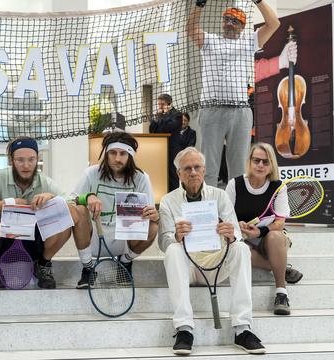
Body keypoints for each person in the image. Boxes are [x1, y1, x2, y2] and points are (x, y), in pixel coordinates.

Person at [158, 147, 265, 355]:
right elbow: (163, 242)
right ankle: (184, 329)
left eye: (197, 167)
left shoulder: (220, 196)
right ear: (179, 173)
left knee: (241, 249)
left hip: (217, 265)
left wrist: (230, 233)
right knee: (172, 250)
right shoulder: (168, 201)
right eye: (187, 168)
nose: (193, 172)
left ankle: (242, 328)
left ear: (204, 170)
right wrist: (176, 237)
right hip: (188, 267)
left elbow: (237, 234)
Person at [0, 137, 89, 290]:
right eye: (20, 160)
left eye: (31, 159)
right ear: (11, 160)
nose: (26, 165)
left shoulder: (46, 182)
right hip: (2, 240)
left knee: (66, 215)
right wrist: (9, 203)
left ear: (37, 159)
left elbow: (72, 209)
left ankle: (43, 265)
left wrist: (51, 198)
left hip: (35, 243)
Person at [188, 0, 280, 187]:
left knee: (239, 169)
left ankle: (236, 211)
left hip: (241, 112)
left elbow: (274, 24)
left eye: (235, 21)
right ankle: (210, 213)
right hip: (212, 109)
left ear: (242, 27)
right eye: (227, 19)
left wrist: (259, 1)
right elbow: (190, 29)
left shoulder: (250, 41)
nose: (230, 23)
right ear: (222, 22)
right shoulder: (209, 40)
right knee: (209, 167)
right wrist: (199, 5)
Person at [72, 131, 159, 288]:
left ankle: (124, 263)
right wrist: (87, 197)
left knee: (153, 226)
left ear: (130, 156)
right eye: (113, 153)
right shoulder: (91, 173)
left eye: (123, 154)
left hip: (125, 238)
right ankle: (88, 269)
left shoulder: (141, 178)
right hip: (94, 236)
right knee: (79, 210)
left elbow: (149, 212)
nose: (117, 159)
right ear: (106, 153)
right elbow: (71, 202)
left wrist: (153, 214)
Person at [225, 142, 303, 316]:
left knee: (276, 236)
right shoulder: (235, 184)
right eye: (256, 160)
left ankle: (281, 293)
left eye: (265, 162)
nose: (260, 165)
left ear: (271, 165)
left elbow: (279, 223)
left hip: (268, 238)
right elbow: (225, 216)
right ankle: (281, 267)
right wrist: (238, 225)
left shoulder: (278, 187)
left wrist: (260, 231)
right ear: (250, 162)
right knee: (240, 250)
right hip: (242, 239)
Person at [149, 94, 183, 192]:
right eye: (158, 104)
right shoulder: (158, 115)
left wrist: (160, 119)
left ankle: (174, 194)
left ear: (169, 103)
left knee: (172, 174)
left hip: (172, 149)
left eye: (162, 104)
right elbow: (152, 129)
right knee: (161, 173)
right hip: (160, 148)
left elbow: (168, 128)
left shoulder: (177, 114)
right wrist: (158, 118)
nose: (159, 106)